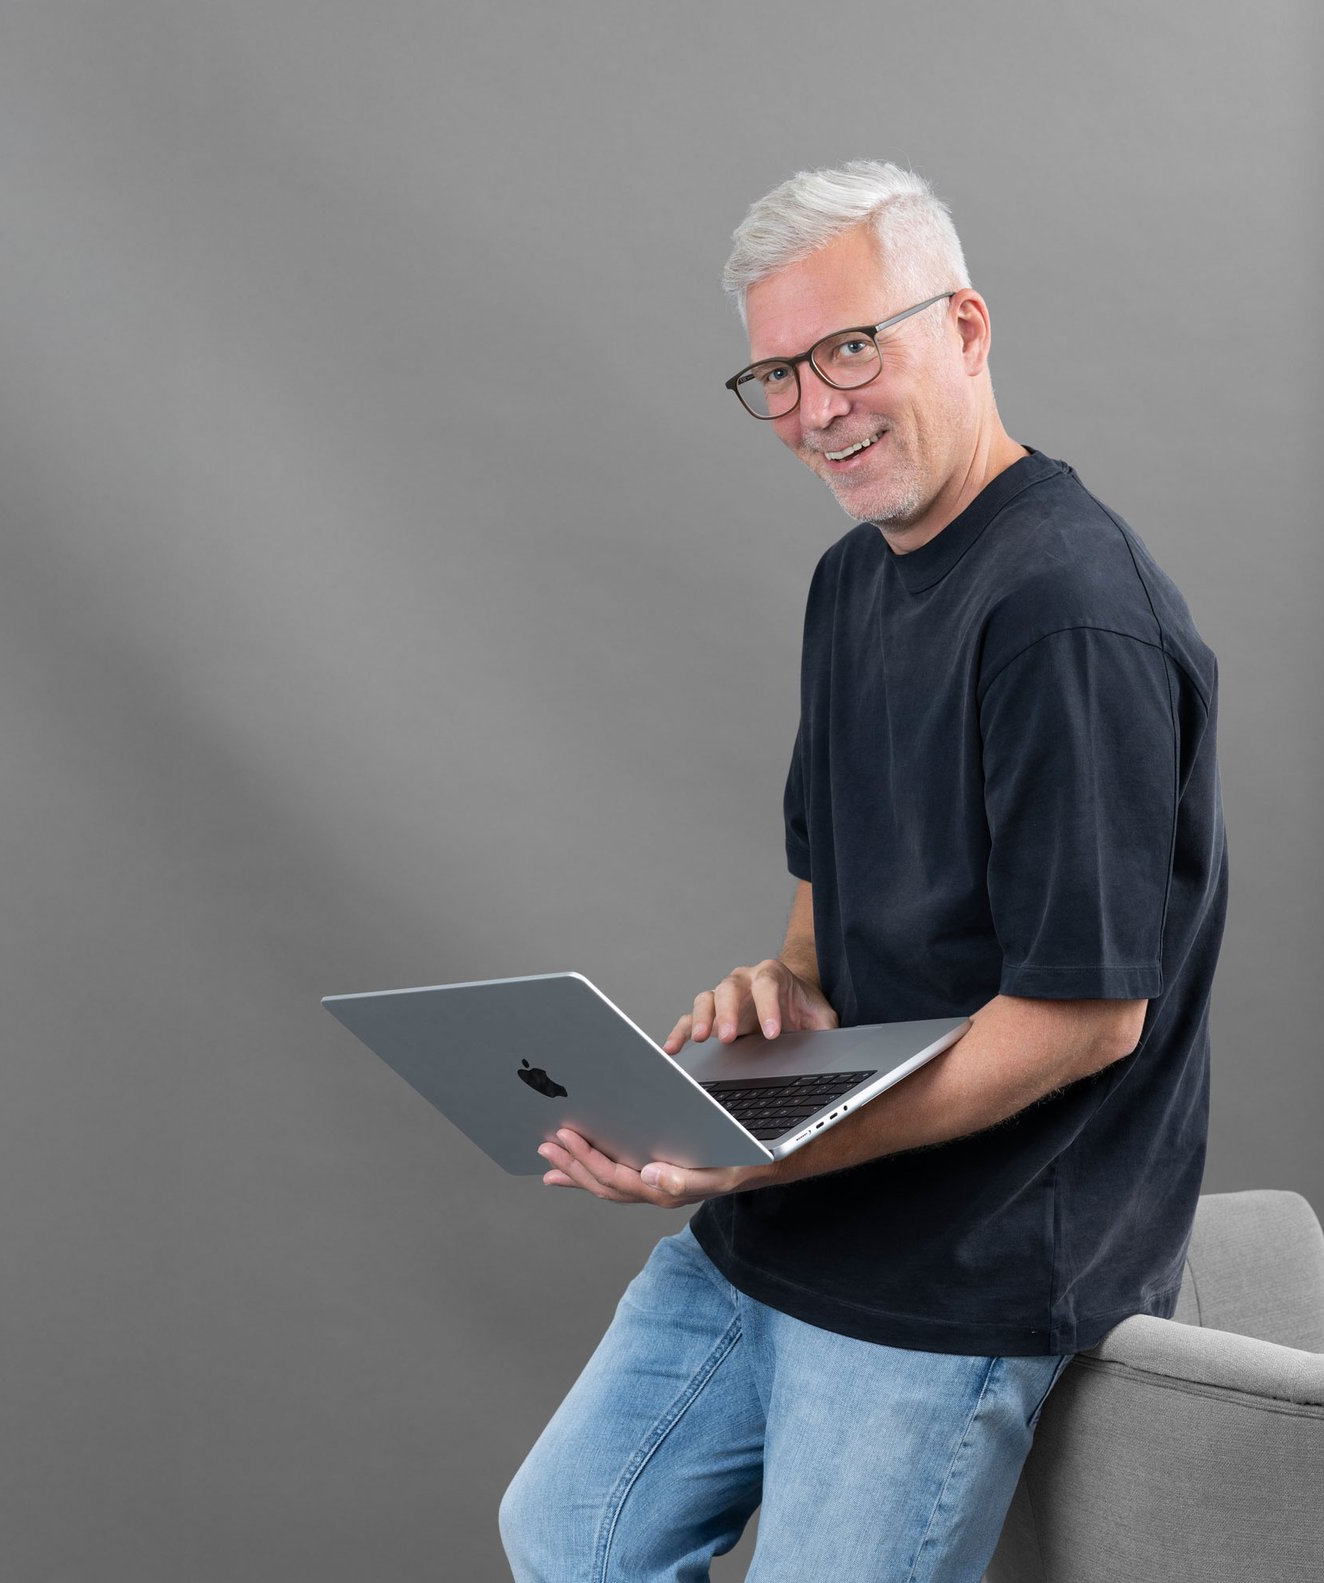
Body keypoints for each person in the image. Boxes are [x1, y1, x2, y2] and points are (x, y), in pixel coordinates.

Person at [498, 161, 1228, 1582]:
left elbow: (1085, 1019)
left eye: (849, 348)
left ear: (964, 326)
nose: (813, 407)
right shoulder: (855, 580)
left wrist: (764, 1147)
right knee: (572, 1532)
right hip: (795, 1212)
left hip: (972, 1260)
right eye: (774, 372)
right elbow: (826, 910)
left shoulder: (1070, 613)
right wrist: (776, 996)